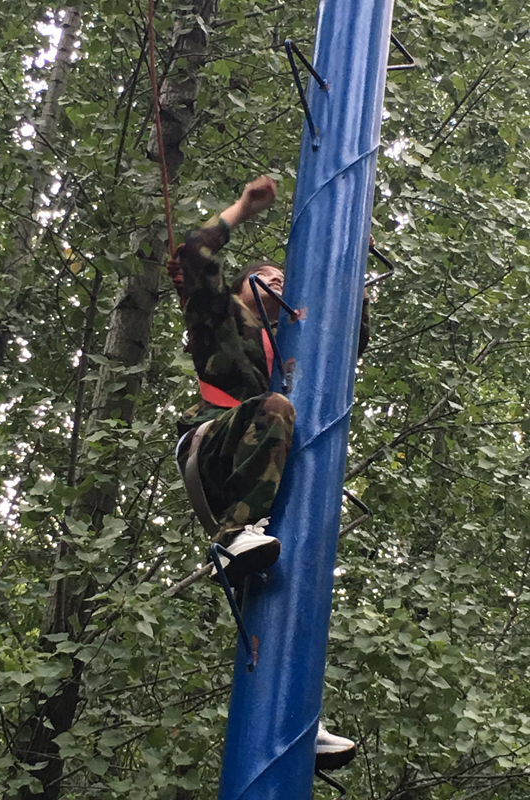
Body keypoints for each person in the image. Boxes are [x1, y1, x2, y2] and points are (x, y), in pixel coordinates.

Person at [173, 175, 369, 772]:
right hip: (215, 450)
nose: (279, 284)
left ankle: (296, 713)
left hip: (262, 465)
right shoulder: (223, 320)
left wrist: (354, 281)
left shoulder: (293, 357)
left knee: (302, 567)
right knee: (276, 409)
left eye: (286, 281)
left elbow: (350, 342)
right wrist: (243, 208)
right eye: (267, 278)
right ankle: (232, 537)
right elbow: (193, 255)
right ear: (243, 288)